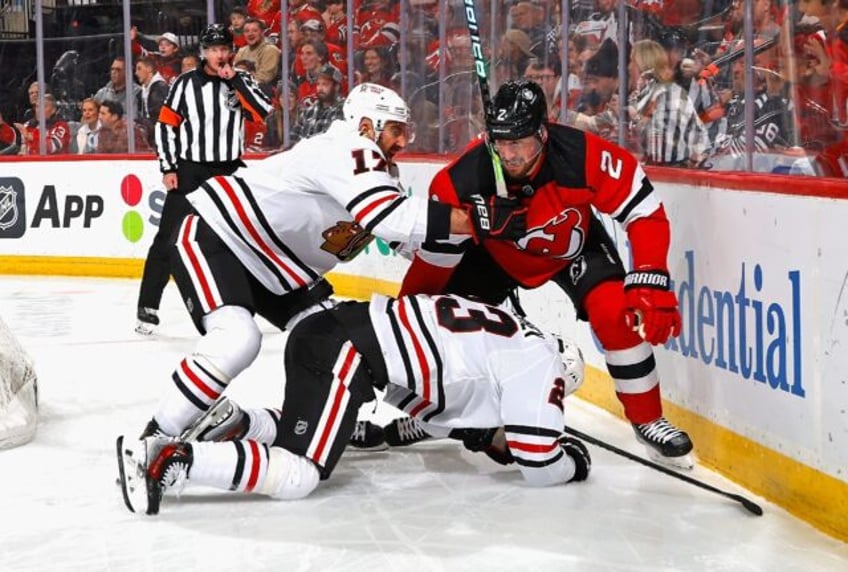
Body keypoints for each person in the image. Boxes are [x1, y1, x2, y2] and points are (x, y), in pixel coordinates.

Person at [128, 82, 527, 454]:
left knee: (357, 341)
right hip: (218, 234)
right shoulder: (348, 149)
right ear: (367, 125)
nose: (404, 140)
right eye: (395, 130)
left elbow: (410, 238)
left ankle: (345, 415)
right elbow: (391, 218)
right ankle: (154, 440)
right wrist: (479, 219)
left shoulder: (378, 168)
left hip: (278, 267)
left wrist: (485, 264)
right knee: (237, 338)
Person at [392, 79, 694, 469]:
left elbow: (644, 208)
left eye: (520, 143)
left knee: (614, 310)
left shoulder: (581, 154)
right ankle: (438, 416)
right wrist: (406, 317)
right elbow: (435, 261)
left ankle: (648, 418)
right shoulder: (461, 180)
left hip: (573, 248)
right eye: (502, 143)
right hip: (492, 258)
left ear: (543, 133)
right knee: (448, 327)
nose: (511, 155)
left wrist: (651, 274)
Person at [116, 293, 591, 514]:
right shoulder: (543, 360)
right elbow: (538, 462)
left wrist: (478, 435)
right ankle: (173, 459)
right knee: (301, 473)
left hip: (331, 331)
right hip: (346, 353)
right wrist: (572, 460)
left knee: (299, 435)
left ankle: (238, 426)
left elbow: (429, 401)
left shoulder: (501, 333)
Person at [134, 24, 274, 335]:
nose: (219, 55)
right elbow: (166, 125)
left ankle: (269, 302)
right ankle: (147, 306)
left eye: (224, 49)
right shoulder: (185, 83)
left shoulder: (241, 81)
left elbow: (262, 111)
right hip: (190, 169)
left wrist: (235, 80)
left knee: (247, 237)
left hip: (229, 171)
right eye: (213, 50)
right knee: (168, 239)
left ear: (231, 51)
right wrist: (169, 167)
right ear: (203, 53)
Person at [289, 63, 344, 144]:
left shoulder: (344, 109)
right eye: (318, 84)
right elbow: (293, 137)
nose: (320, 88)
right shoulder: (308, 111)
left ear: (336, 87)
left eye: (325, 84)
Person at [233, 17, 281, 93]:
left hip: (262, 93)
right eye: (247, 31)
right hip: (242, 90)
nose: (250, 34)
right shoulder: (241, 51)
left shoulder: (271, 50)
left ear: (262, 32)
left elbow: (264, 77)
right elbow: (234, 73)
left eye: (254, 31)